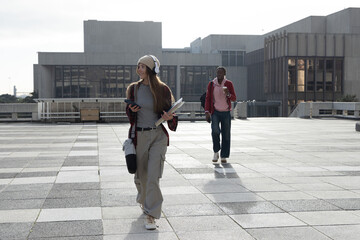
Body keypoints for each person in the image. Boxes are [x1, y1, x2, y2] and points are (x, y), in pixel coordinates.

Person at [125, 55, 178, 230]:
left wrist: (169, 117)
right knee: (141, 177)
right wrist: (131, 109)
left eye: (142, 66)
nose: (138, 69)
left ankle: (151, 214)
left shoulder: (162, 90)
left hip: (157, 136)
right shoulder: (133, 89)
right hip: (139, 137)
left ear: (151, 69)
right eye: (138, 65)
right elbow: (130, 116)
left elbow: (172, 117)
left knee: (153, 176)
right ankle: (144, 200)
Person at [204, 66, 236, 164]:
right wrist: (207, 112)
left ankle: (224, 155)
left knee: (226, 135)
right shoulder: (212, 84)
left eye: (221, 73)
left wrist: (228, 94)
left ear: (224, 74)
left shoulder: (228, 84)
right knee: (215, 131)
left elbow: (234, 98)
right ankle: (216, 151)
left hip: (226, 112)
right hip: (215, 112)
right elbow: (208, 98)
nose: (219, 75)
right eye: (218, 73)